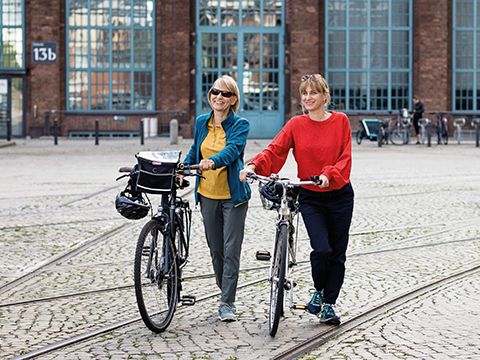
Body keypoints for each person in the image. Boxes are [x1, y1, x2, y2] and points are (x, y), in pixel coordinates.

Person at [239, 74, 354, 326]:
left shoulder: (341, 122)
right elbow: (275, 150)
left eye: (314, 93)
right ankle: (318, 291)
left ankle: (327, 304)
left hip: (340, 195)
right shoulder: (296, 125)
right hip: (311, 195)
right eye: (304, 93)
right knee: (321, 248)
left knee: (337, 253)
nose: (308, 98)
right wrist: (253, 165)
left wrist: (327, 174)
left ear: (325, 96)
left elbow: (344, 158)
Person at [183, 75, 251, 322]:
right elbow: (195, 150)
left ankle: (227, 302)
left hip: (233, 196)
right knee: (216, 250)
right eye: (215, 92)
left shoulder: (240, 124)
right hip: (207, 195)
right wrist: (183, 168)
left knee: (231, 249)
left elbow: (233, 150)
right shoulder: (202, 122)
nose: (219, 97)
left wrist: (213, 161)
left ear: (233, 99)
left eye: (225, 94)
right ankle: (225, 290)